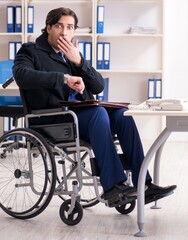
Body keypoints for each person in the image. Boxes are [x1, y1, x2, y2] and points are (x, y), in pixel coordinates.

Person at [13, 7, 176, 207]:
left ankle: (145, 183)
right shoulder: (31, 51)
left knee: (122, 115)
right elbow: (22, 75)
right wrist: (64, 78)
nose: (64, 32)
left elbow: (98, 86)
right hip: (53, 118)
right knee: (97, 114)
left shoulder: (71, 55)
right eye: (59, 26)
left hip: (80, 115)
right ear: (48, 28)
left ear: (74, 31)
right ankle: (113, 186)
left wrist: (80, 61)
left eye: (70, 27)